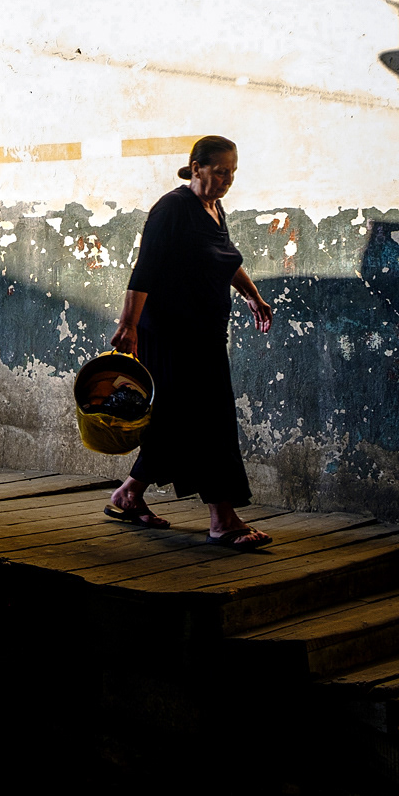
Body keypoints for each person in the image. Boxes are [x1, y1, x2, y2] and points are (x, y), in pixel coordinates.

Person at [106, 135, 274, 546]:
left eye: (232, 174)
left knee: (174, 418)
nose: (226, 180)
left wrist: (252, 295)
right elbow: (145, 270)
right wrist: (128, 326)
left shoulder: (214, 210)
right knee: (209, 419)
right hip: (169, 334)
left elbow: (226, 259)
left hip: (206, 333)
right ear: (196, 166)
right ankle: (223, 519)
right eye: (219, 172)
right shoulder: (173, 208)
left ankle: (129, 495)